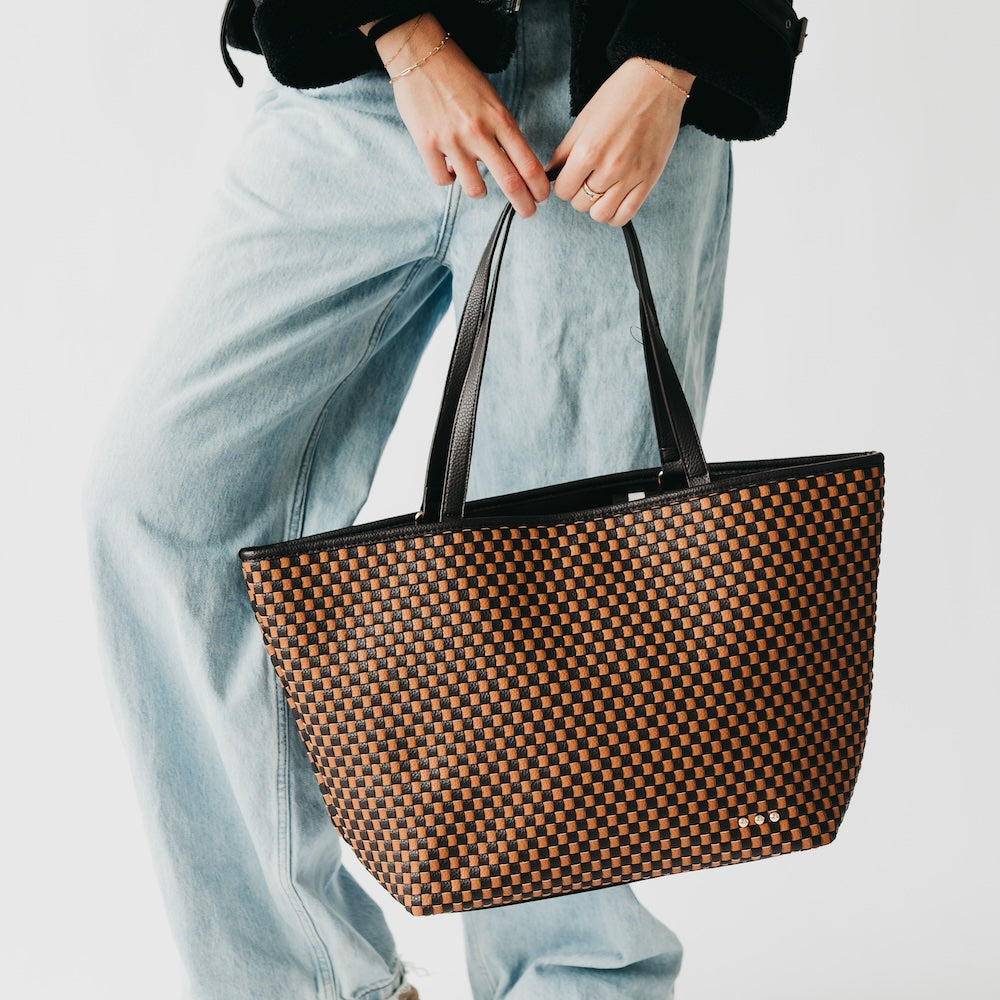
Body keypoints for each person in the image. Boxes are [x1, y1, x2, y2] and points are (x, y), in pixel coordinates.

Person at [85, 1, 807, 998]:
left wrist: (676, 55)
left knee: (564, 593)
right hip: (353, 80)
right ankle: (303, 984)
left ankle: (570, 983)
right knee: (160, 500)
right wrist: (404, 36)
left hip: (611, 77)